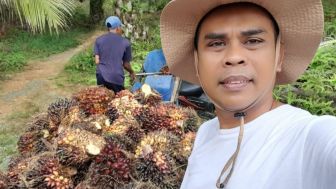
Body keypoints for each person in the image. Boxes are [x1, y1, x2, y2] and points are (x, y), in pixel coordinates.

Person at [160, 0, 336, 189]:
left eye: (253, 41)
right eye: (216, 43)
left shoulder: (308, 138)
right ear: (196, 62)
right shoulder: (206, 133)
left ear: (280, 56)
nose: (234, 57)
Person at [94, 16, 135, 93]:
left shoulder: (98, 40)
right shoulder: (125, 42)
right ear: (118, 28)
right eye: (120, 27)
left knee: (103, 100)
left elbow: (97, 61)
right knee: (117, 101)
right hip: (116, 77)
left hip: (101, 76)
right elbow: (126, 65)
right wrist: (131, 72)